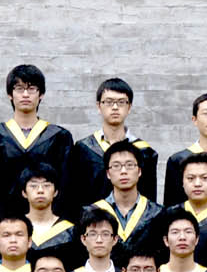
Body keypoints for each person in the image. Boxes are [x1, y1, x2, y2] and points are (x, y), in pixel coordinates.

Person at [0, 64, 72, 216]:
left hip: (47, 219)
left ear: (41, 94)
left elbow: (65, 185)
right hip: (3, 219)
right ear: (10, 94)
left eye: (32, 89)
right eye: (19, 89)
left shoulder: (59, 137)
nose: (25, 94)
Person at [69, 77, 160, 211]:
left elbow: (149, 202)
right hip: (92, 221)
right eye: (109, 102)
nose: (115, 107)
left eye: (121, 102)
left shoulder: (145, 151)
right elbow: (75, 196)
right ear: (99, 106)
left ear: (129, 107)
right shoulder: (83, 148)